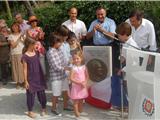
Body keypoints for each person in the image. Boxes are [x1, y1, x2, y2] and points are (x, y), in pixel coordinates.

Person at [21, 37, 47, 118]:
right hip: (31, 79)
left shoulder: (36, 52)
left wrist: (40, 47)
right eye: (34, 44)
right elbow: (24, 70)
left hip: (39, 77)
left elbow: (44, 51)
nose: (36, 45)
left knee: (42, 93)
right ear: (29, 44)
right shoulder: (25, 56)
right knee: (30, 95)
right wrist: (26, 81)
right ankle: (30, 111)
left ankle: (43, 108)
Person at [46, 33, 70, 116]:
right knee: (56, 94)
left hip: (63, 75)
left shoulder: (59, 49)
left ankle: (65, 106)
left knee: (65, 91)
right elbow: (55, 66)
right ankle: (53, 108)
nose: (61, 44)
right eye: (59, 42)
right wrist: (65, 68)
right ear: (54, 42)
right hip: (56, 77)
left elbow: (64, 60)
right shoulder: (50, 52)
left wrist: (69, 64)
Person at [69, 52, 89, 118]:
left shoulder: (84, 67)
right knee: (76, 101)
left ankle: (80, 111)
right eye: (74, 59)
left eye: (77, 58)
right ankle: (76, 114)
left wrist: (85, 82)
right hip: (76, 87)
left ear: (81, 59)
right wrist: (79, 83)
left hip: (82, 86)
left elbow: (87, 76)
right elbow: (71, 78)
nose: (76, 60)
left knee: (81, 99)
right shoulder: (73, 68)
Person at [8, 22, 25, 89]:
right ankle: (17, 83)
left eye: (16, 26)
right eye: (13, 26)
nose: (14, 27)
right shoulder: (10, 36)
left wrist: (22, 37)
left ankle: (24, 82)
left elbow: (25, 43)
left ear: (18, 27)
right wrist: (19, 38)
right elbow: (13, 45)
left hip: (21, 53)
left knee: (22, 68)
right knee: (15, 69)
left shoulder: (22, 34)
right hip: (14, 53)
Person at [0, 21, 10, 85]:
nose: (4, 28)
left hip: (9, 51)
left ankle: (8, 77)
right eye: (2, 27)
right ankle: (4, 79)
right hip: (2, 52)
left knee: (7, 65)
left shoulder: (9, 33)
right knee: (3, 65)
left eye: (5, 27)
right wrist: (7, 43)